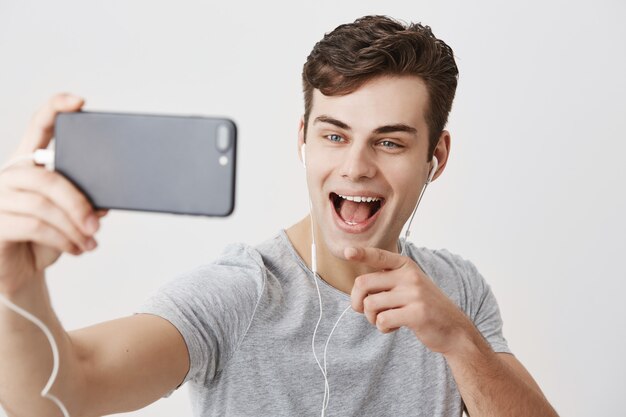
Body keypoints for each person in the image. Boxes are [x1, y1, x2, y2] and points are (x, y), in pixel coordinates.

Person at [0, 15, 558, 417]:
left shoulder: (456, 289)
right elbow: (61, 393)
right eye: (334, 135)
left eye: (389, 143)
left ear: (435, 158)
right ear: (304, 140)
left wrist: (459, 340)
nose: (355, 167)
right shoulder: (242, 291)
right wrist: (13, 284)